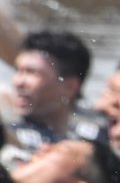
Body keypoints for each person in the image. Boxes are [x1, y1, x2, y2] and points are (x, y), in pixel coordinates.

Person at [3, 30, 104, 158]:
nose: (18, 82)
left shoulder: (100, 133)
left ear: (69, 86)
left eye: (31, 72)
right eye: (18, 70)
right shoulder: (8, 131)